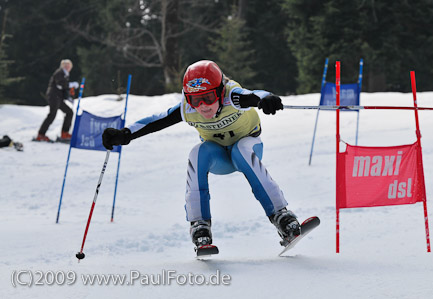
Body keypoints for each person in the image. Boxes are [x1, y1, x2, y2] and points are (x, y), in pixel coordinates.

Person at [102, 60, 301, 249]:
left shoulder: (232, 96)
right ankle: (199, 225)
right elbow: (156, 120)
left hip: (247, 147)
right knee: (197, 153)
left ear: (220, 92)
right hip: (219, 157)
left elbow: (254, 94)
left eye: (208, 97)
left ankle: (281, 215)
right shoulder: (188, 108)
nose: (203, 105)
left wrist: (265, 99)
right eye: (196, 99)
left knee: (241, 150)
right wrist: (125, 134)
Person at [36, 59, 79, 142]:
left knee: (69, 112)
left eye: (69, 66)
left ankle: (64, 133)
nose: (67, 67)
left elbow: (63, 89)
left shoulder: (65, 74)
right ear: (62, 66)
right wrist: (71, 85)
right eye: (66, 65)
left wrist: (68, 98)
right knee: (52, 114)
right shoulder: (59, 72)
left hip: (59, 97)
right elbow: (60, 84)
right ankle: (41, 134)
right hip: (53, 96)